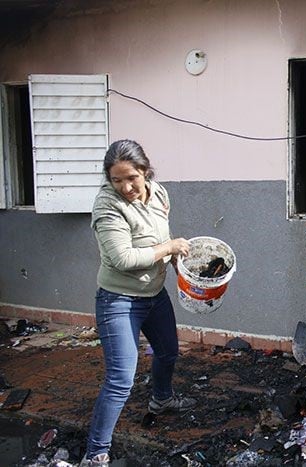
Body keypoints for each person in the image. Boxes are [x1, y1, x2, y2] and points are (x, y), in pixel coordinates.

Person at [81, 139, 196, 466]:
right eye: (116, 180)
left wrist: (175, 258)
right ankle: (95, 453)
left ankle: (161, 400)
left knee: (169, 351)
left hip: (154, 295)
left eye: (131, 177)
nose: (126, 187)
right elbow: (122, 258)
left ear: (145, 171)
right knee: (120, 378)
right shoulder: (107, 206)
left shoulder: (158, 193)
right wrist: (170, 246)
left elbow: (160, 236)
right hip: (118, 300)